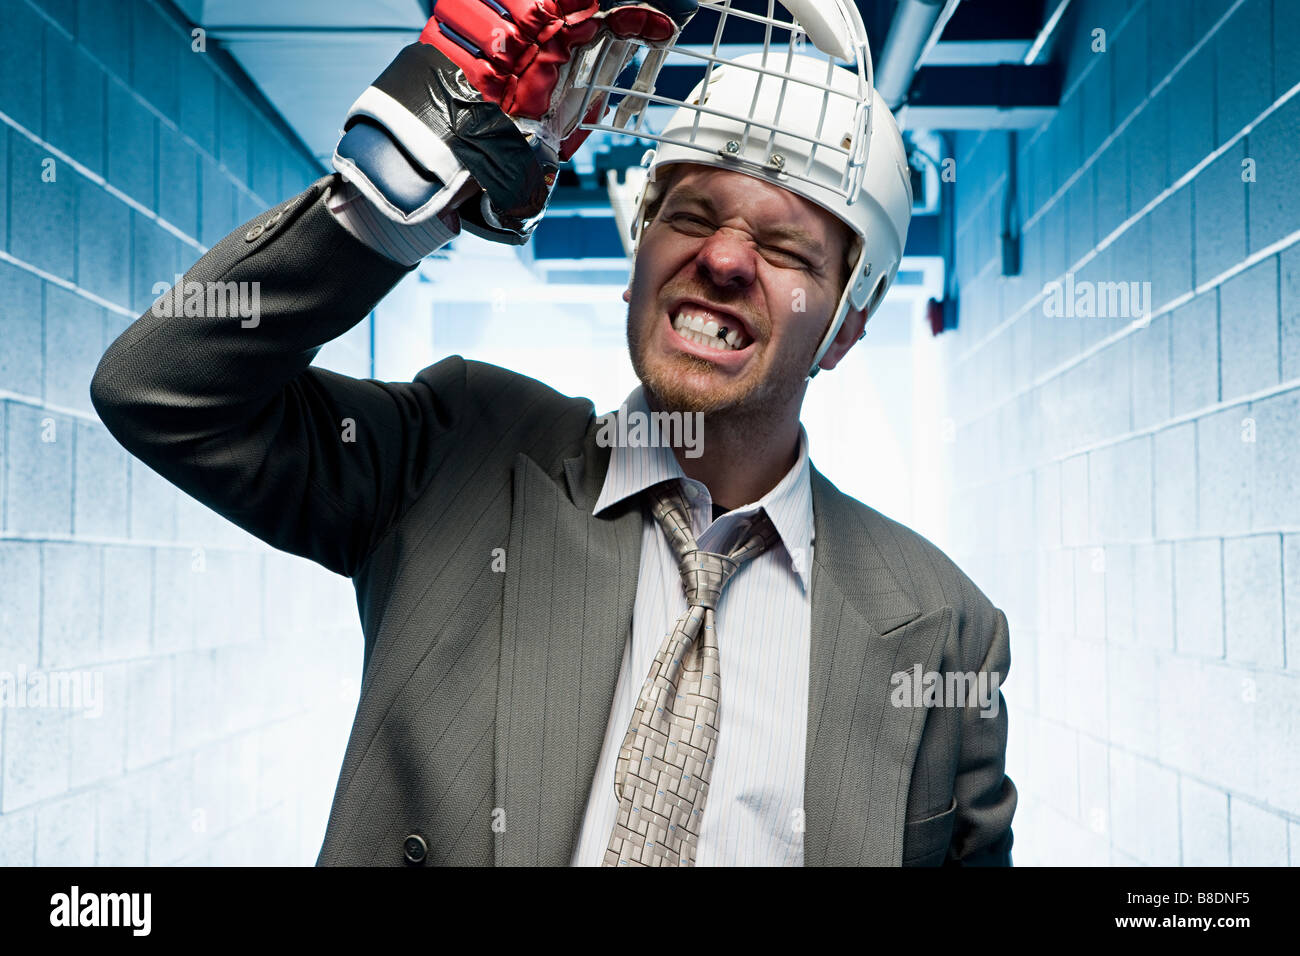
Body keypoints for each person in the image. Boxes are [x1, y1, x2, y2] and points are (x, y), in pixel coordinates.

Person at [90, 0, 1016, 867]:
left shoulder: (948, 634)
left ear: (848, 323)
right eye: (688, 216)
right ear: (637, 254)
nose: (724, 258)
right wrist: (400, 182)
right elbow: (162, 392)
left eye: (782, 248)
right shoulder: (460, 453)